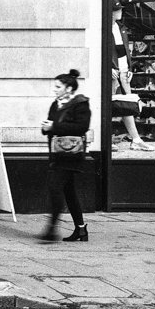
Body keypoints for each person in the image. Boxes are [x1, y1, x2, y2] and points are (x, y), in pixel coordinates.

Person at [40, 69, 92, 242]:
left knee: (55, 188)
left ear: (68, 88)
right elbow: (50, 125)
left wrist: (54, 126)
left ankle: (52, 229)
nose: (54, 89)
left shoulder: (81, 104)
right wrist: (46, 126)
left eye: (58, 86)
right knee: (68, 192)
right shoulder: (56, 104)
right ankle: (81, 230)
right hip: (57, 154)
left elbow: (81, 127)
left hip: (71, 156)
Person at [112, 3, 150, 150]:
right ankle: (106, 139)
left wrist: (129, 67)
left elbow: (124, 50)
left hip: (122, 70)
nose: (120, 11)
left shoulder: (120, 27)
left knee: (125, 105)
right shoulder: (106, 26)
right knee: (111, 104)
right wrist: (108, 67)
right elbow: (104, 48)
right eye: (117, 9)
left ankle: (136, 139)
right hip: (113, 71)